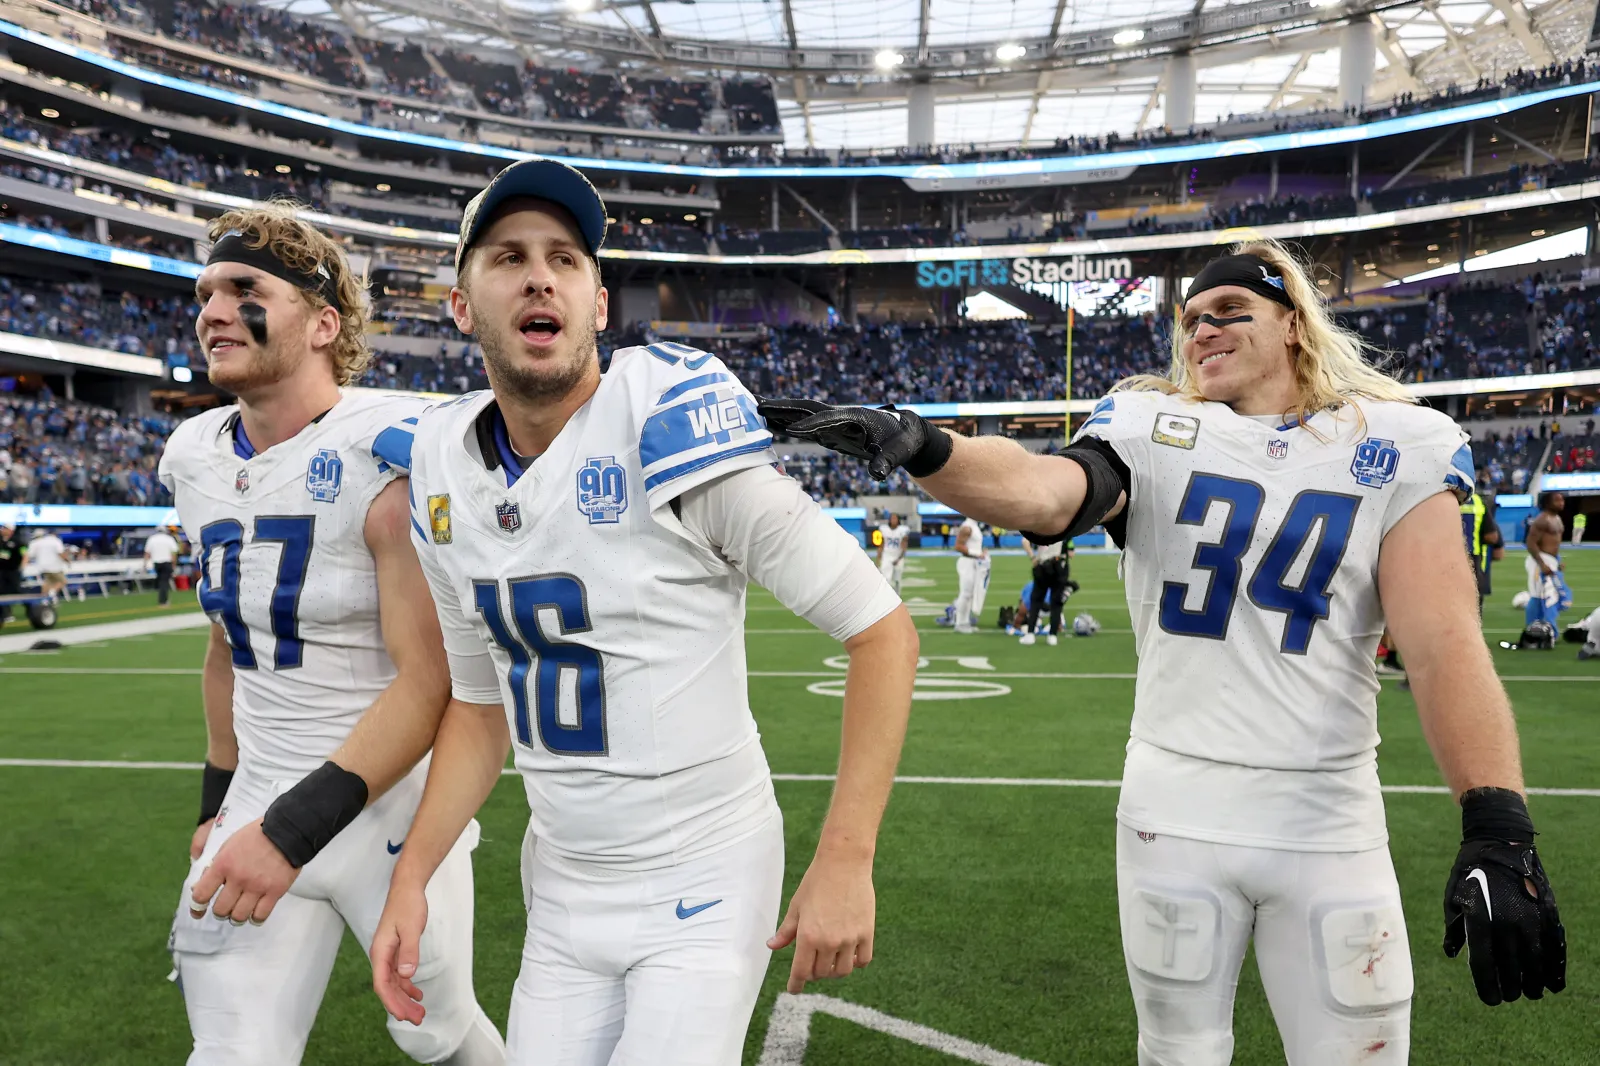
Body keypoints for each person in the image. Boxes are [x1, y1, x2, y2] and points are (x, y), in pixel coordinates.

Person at [761, 241, 1565, 1061]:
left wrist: (1498, 821)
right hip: (1175, 811)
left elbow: (1440, 644)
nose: (1202, 331)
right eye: (1188, 320)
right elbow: (1044, 493)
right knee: (1176, 1053)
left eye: (1229, 313)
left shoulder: (1396, 440)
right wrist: (925, 446)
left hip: (1328, 815)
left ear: (1293, 322)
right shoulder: (1151, 426)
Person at [367, 159, 919, 1066]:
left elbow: (881, 631)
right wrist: (412, 875)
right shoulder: (438, 465)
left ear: (597, 301)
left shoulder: (667, 418)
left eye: (565, 260)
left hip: (705, 872)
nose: (539, 275)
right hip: (563, 885)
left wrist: (846, 860)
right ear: (461, 306)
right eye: (507, 258)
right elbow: (476, 706)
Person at [159, 203, 505, 1066]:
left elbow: (431, 683)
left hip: (384, 804)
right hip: (259, 797)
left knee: (440, 1034)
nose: (211, 309)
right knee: (232, 1049)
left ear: (323, 323)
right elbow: (224, 645)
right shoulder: (194, 455)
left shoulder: (384, 454)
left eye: (244, 288)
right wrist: (220, 799)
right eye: (205, 292)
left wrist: (288, 831)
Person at [1525, 491, 1566, 632]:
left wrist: (1556, 561)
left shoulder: (1557, 518)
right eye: (1557, 500)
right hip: (1539, 562)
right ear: (1548, 503)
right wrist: (1542, 564)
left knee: (1550, 597)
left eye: (1562, 500)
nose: (1561, 503)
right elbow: (1530, 543)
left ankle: (1546, 628)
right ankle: (1532, 628)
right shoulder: (1542, 520)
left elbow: (1553, 543)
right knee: (1537, 595)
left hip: (1550, 561)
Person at [1021, 535, 1070, 646]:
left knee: (1036, 600)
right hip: (1059, 564)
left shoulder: (1040, 524)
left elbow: (1025, 541)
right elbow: (1070, 550)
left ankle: (1030, 634)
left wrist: (1033, 558)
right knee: (1056, 603)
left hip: (1043, 564)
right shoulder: (1063, 526)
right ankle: (1052, 636)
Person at [952, 515, 990, 634]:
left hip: (974, 562)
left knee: (971, 594)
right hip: (967, 562)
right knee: (966, 593)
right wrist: (977, 553)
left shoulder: (974, 526)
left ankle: (965, 621)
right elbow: (958, 546)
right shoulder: (967, 527)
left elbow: (972, 545)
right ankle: (959, 622)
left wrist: (981, 552)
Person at [144, 523, 181, 607]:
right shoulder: (169, 539)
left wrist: (145, 564)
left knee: (161, 580)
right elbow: (173, 553)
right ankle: (163, 601)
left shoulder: (152, 539)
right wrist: (174, 564)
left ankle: (163, 599)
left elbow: (147, 553)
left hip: (157, 563)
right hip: (166, 562)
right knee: (164, 582)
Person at [28, 528, 68, 603]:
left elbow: (31, 555)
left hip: (42, 567)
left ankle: (44, 600)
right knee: (62, 581)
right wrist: (67, 561)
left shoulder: (38, 542)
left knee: (47, 582)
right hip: (54, 567)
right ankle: (51, 593)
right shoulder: (55, 541)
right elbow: (60, 553)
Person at [876, 511, 910, 592]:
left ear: (898, 520)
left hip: (898, 556)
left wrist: (899, 558)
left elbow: (904, 547)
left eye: (895, 518)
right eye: (892, 518)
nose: (893, 520)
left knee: (897, 580)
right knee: (886, 578)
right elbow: (881, 545)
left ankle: (898, 597)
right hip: (887, 555)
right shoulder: (884, 529)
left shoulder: (902, 530)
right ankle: (887, 597)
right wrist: (879, 558)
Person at [0, 521, 24, 624]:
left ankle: (32, 609)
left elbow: (25, 554)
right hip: (1, 571)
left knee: (15, 590)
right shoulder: (1, 541)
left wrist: (22, 567)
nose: (2, 530)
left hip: (13, 571)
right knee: (1, 592)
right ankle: (5, 614)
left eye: (4, 528)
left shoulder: (18, 541)